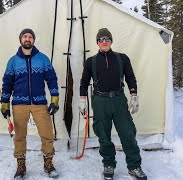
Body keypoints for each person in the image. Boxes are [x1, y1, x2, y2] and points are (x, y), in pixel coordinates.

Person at [79, 28, 147, 180]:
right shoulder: (91, 62)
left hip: (118, 100)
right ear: (97, 42)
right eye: (101, 39)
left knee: (128, 132)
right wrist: (82, 99)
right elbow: (84, 82)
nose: (104, 42)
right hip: (100, 101)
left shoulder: (122, 58)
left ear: (111, 41)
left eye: (107, 39)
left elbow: (130, 77)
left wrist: (134, 95)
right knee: (103, 135)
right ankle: (108, 164)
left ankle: (134, 166)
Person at [0, 28, 59, 179]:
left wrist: (55, 99)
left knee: (47, 134)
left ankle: (48, 163)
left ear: (33, 40)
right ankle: (21, 165)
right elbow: (7, 83)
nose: (27, 39)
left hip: (40, 103)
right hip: (19, 103)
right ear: (20, 39)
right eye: (25, 36)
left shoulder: (43, 59)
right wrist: (5, 103)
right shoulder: (13, 61)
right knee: (19, 135)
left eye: (30, 37)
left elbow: (52, 79)